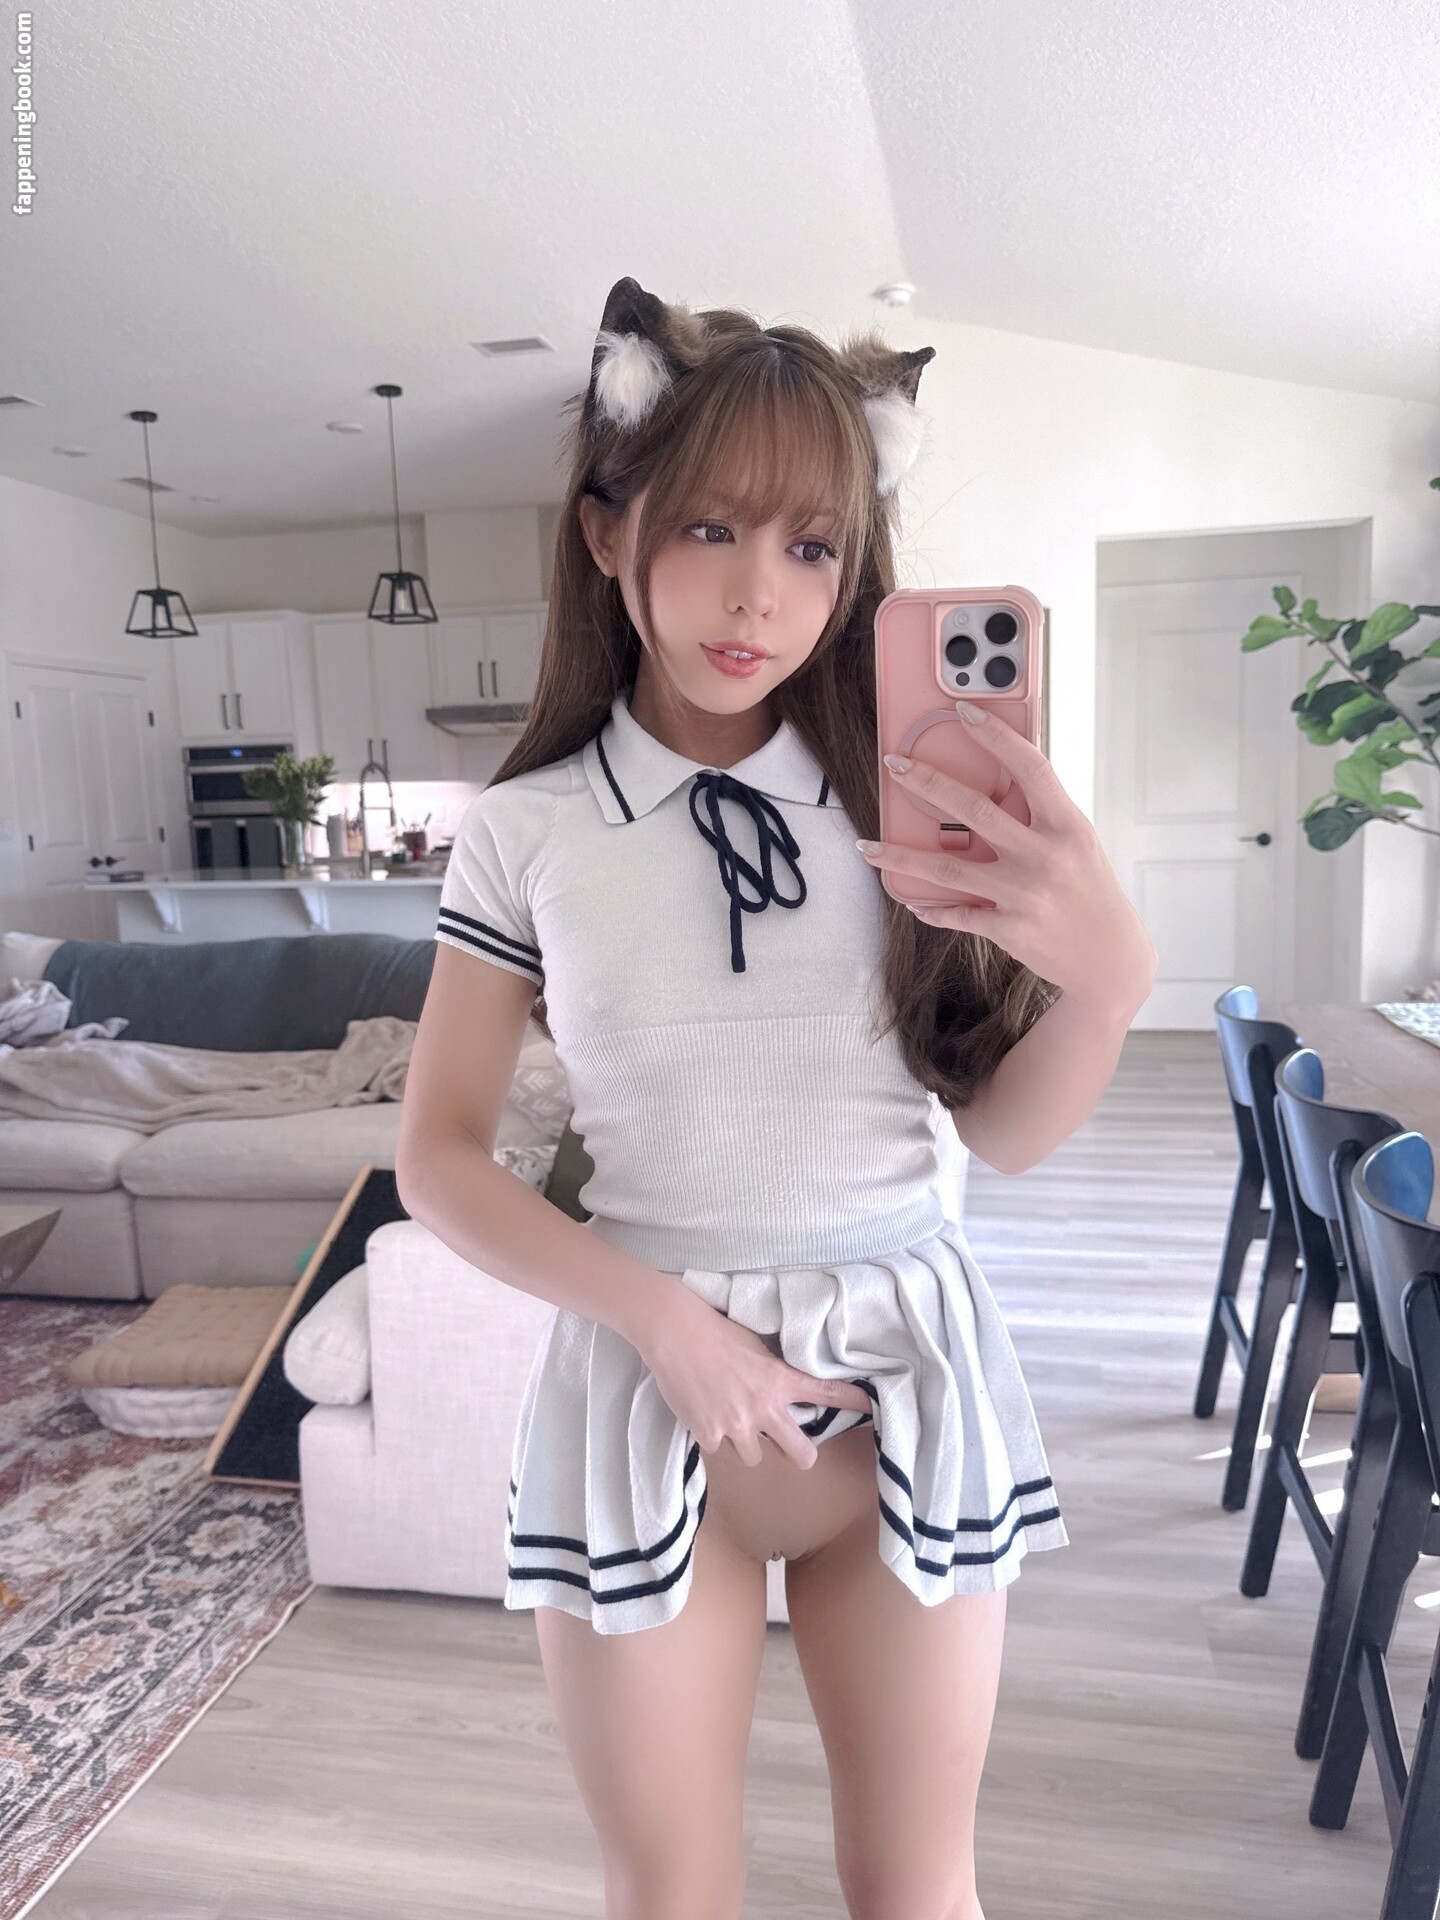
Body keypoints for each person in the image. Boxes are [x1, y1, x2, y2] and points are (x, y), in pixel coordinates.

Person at [396, 274, 1158, 1920]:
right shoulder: (525, 834)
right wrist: (663, 1323)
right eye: (710, 529)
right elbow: (437, 1159)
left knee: (921, 1892)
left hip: (904, 1391)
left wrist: (1109, 985)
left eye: (814, 545)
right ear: (608, 532)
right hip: (647, 1398)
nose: (761, 593)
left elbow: (1006, 1133)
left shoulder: (914, 799)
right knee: (670, 1896)